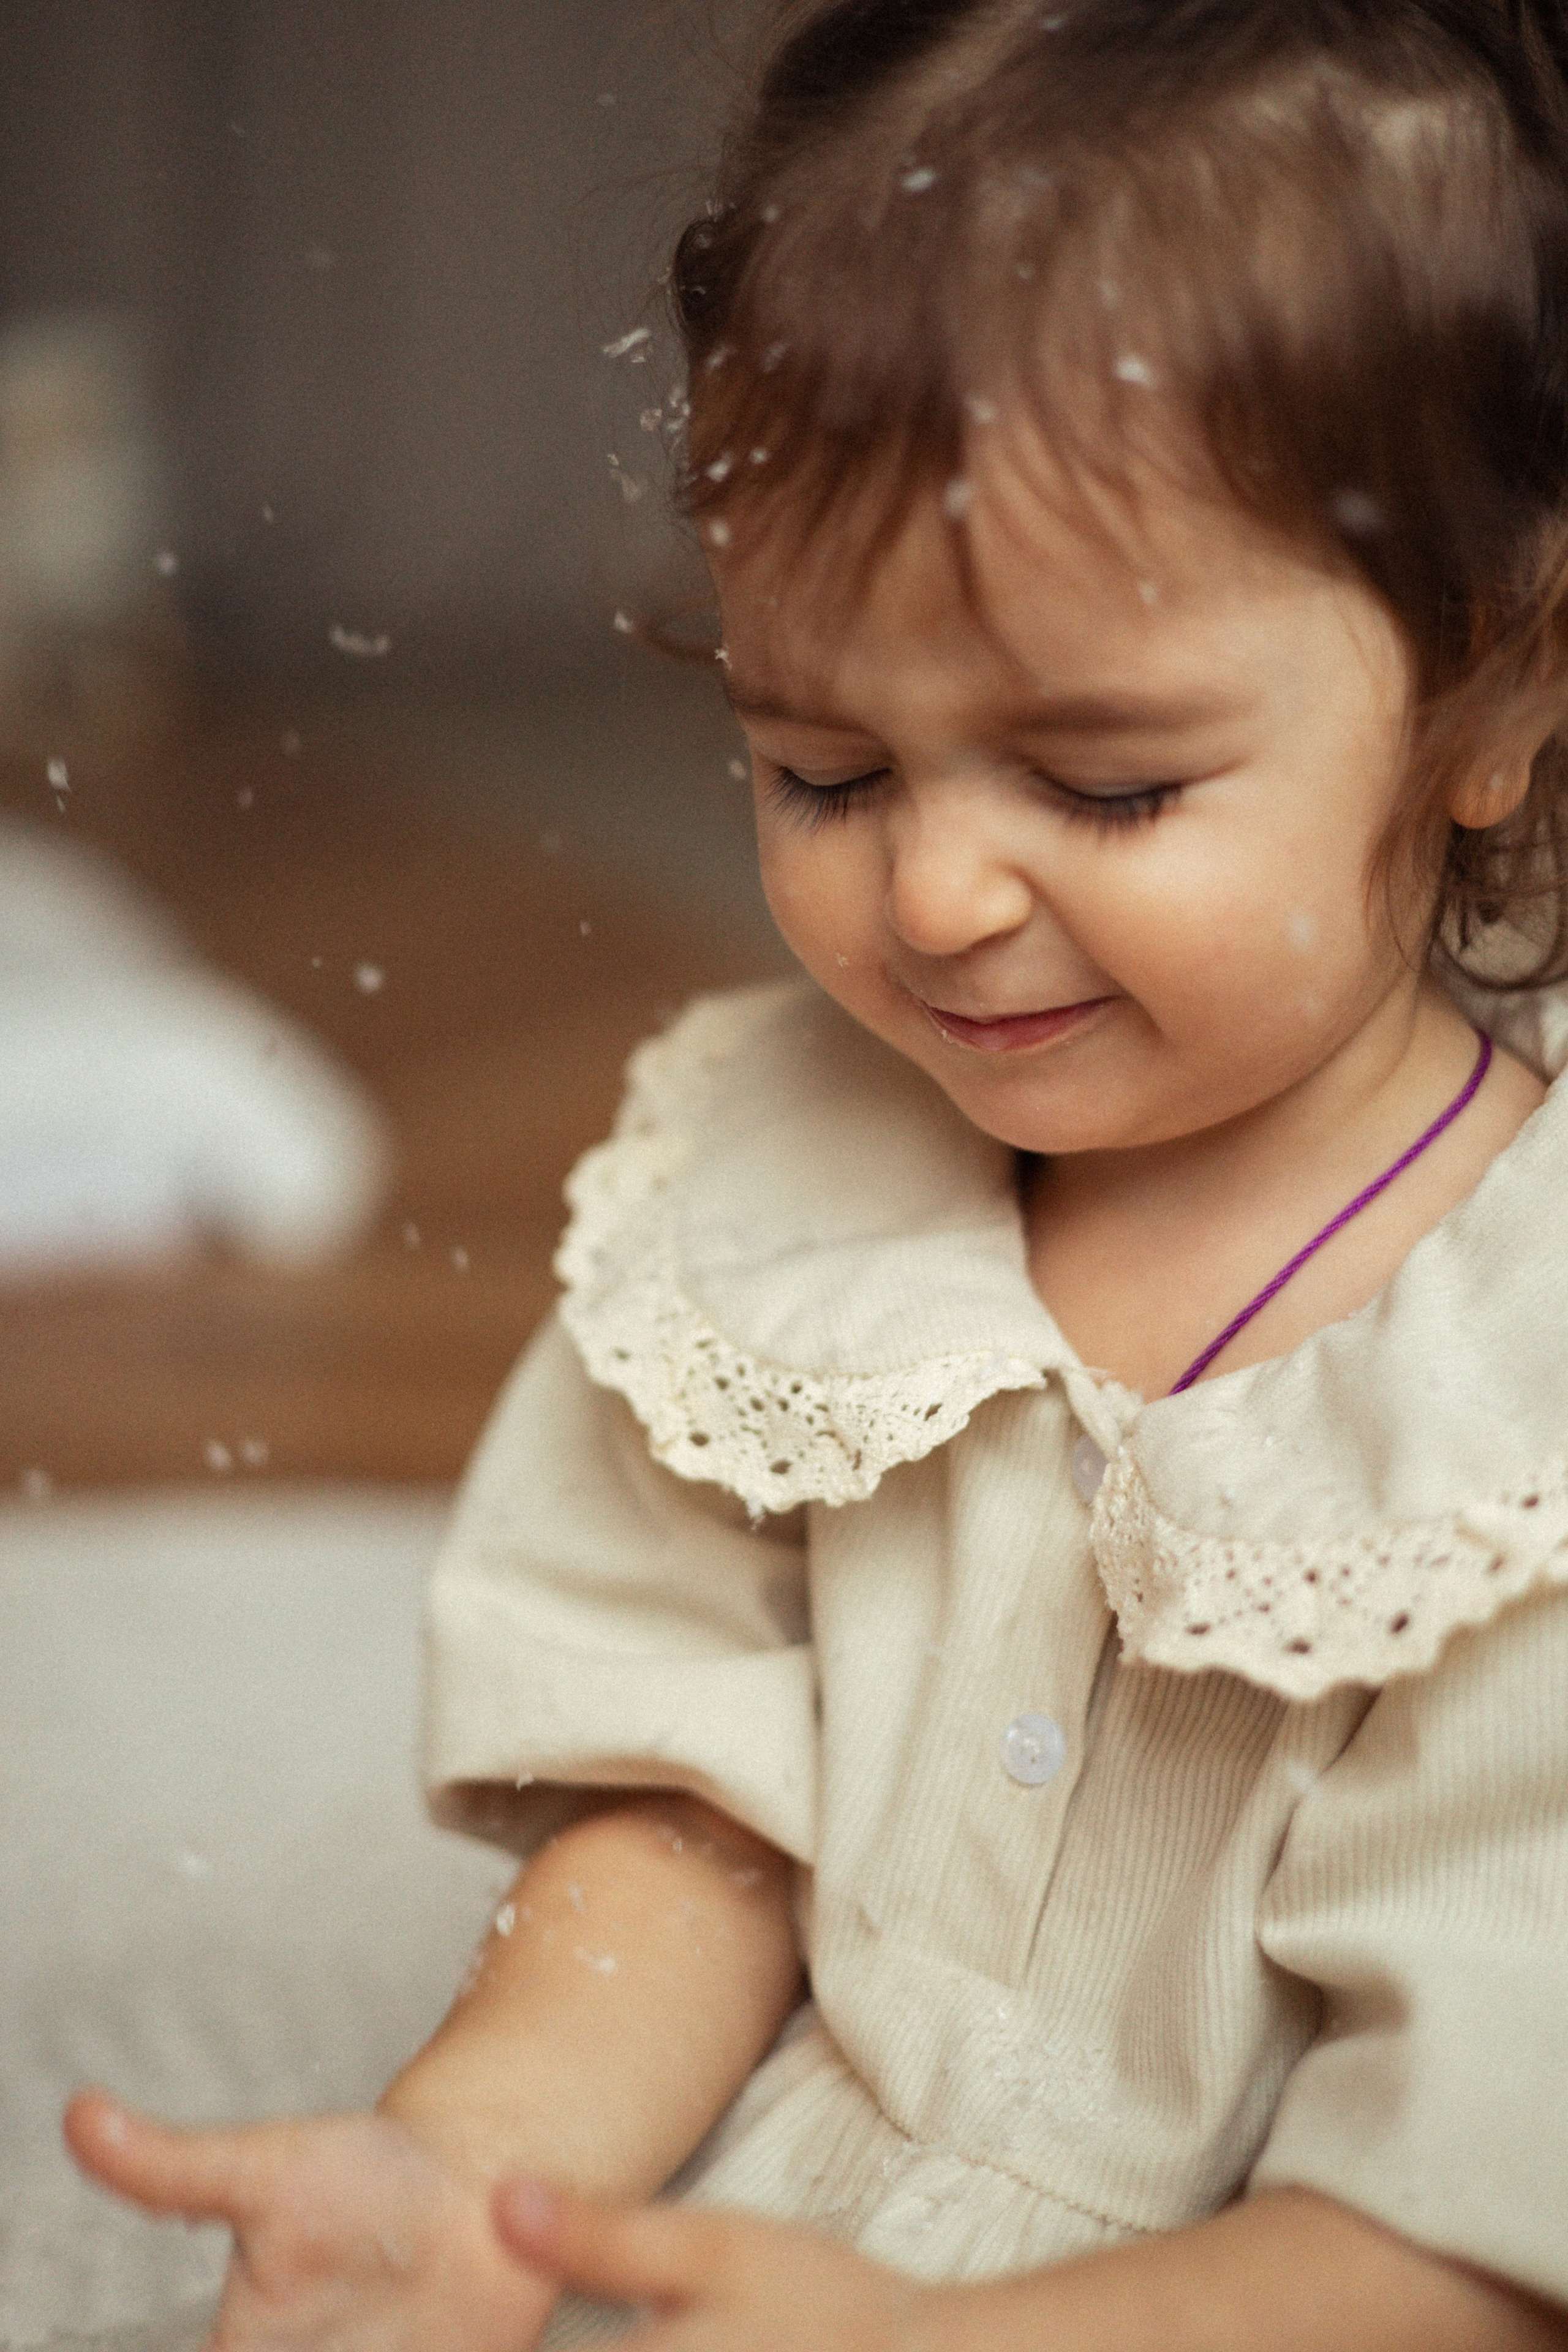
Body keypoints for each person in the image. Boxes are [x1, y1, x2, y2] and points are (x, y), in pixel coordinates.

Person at [65, 2, 1568, 2345]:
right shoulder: (766, 1213)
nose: (944, 895)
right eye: (827, 770)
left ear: (1496, 701)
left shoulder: (1520, 1429)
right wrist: (479, 2168)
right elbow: (683, 1830)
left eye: (1105, 787)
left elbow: (1467, 2235)